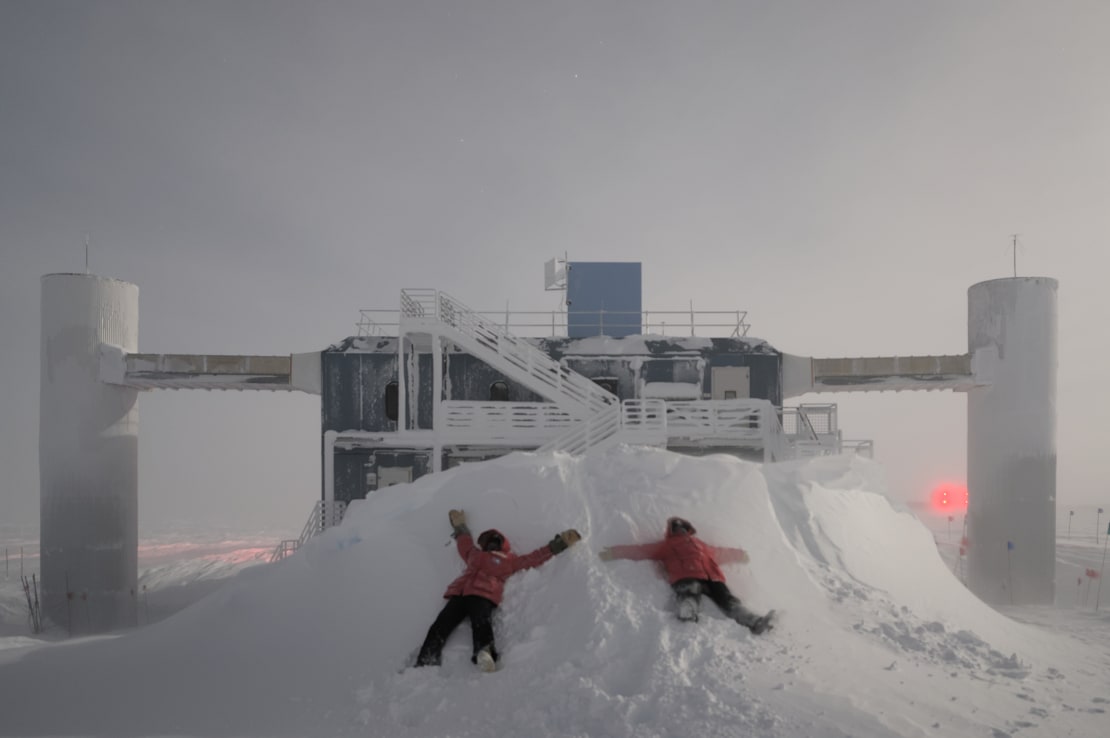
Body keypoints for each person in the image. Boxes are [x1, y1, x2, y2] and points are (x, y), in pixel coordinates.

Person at [415, 509, 582, 671]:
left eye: (495, 540)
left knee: (482, 623)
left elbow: (533, 558)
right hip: (459, 594)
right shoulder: (474, 554)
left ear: (503, 544)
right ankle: (426, 659)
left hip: (483, 595)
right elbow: (464, 543)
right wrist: (460, 526)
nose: (491, 543)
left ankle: (485, 656)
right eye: (488, 541)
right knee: (441, 624)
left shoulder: (509, 561)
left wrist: (559, 544)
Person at [598, 516, 774, 634]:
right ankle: (687, 608)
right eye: (676, 528)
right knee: (690, 590)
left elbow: (720, 553)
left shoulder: (701, 544)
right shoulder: (665, 545)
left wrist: (739, 555)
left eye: (682, 527)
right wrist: (614, 552)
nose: (680, 530)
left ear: (688, 530)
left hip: (712, 576)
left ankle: (753, 621)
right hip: (686, 574)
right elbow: (641, 550)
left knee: (728, 599)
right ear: (671, 531)